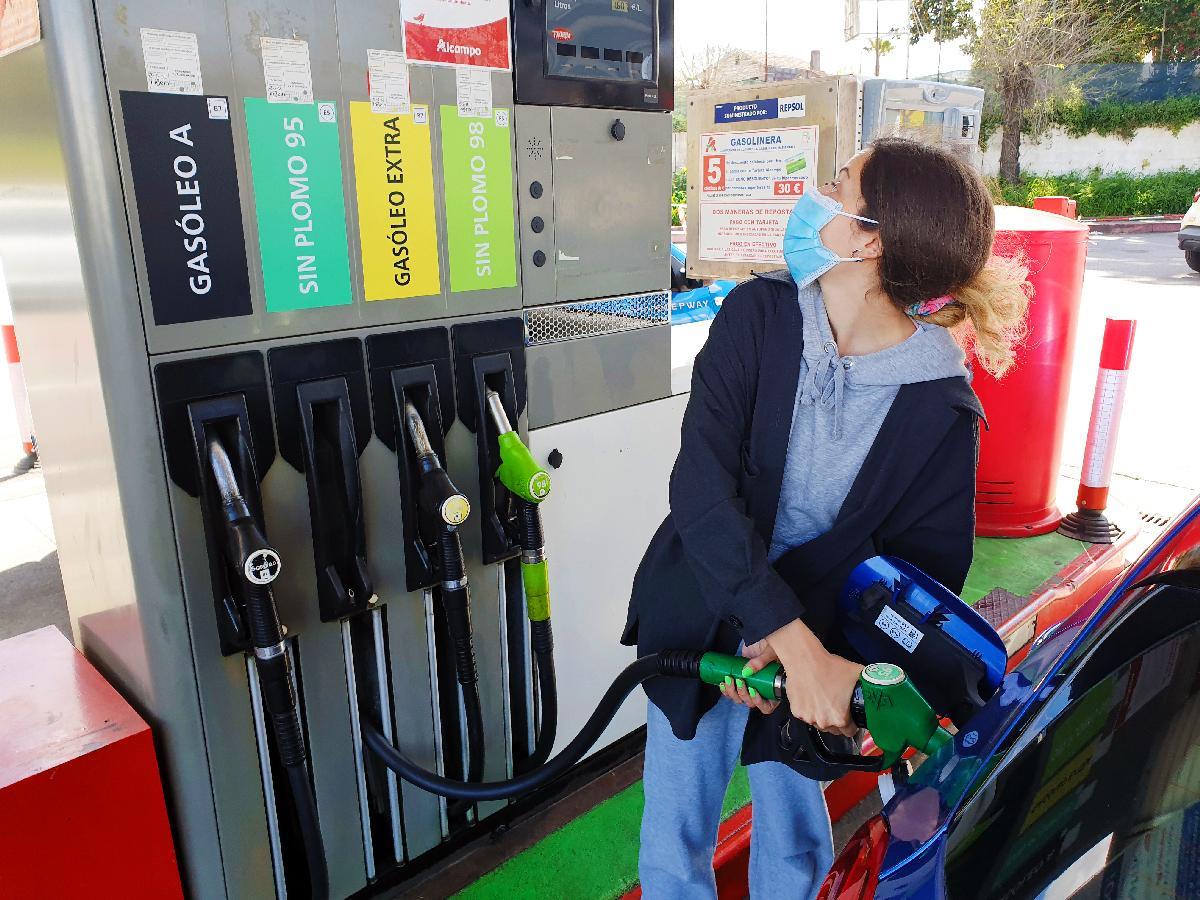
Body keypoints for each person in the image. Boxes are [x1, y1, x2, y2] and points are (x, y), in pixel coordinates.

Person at [622, 137, 1030, 898]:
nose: (817, 192)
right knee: (675, 836)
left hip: (827, 651)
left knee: (795, 841)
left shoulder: (940, 409)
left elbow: (919, 578)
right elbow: (702, 488)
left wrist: (813, 664)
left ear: (867, 239)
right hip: (706, 606)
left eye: (838, 183)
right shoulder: (759, 316)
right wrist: (779, 637)